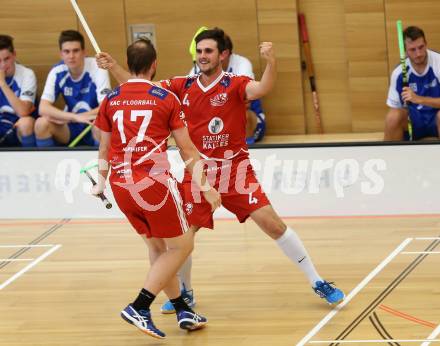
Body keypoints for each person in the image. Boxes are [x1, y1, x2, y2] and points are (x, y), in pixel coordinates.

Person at [96, 28, 344, 316]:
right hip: (198, 176)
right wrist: (114, 66)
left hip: (235, 173)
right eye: (199, 51)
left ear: (223, 55)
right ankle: (186, 292)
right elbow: (139, 88)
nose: (202, 56)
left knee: (273, 225)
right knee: (182, 238)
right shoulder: (181, 85)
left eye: (209, 51)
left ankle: (317, 281)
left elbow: (262, 88)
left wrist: (272, 63)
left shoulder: (236, 84)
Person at [92, 38, 221, 339]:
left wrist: (100, 181)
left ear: (129, 62)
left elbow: (103, 148)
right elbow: (188, 151)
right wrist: (206, 187)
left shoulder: (110, 99)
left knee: (158, 247)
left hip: (121, 184)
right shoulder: (165, 98)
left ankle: (181, 309)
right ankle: (140, 305)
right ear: (154, 65)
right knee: (183, 245)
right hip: (154, 183)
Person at [35, 30, 111, 147]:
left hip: (94, 123)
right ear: (61, 54)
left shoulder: (97, 68)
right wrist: (75, 117)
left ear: (84, 52)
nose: (71, 56)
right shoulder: (57, 71)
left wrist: (82, 117)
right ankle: (46, 164)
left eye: (76, 51)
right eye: (67, 51)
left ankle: (101, 164)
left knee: (101, 126)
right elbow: (43, 108)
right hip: (71, 125)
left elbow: (106, 106)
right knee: (41, 124)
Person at [189, 31, 266, 145]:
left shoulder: (242, 64)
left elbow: (245, 103)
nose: (205, 56)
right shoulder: (201, 66)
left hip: (249, 118)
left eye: (210, 51)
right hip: (217, 119)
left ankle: (247, 154)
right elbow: (189, 101)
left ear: (224, 54)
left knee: (242, 115)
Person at [384, 26, 440, 141]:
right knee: (393, 117)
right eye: (412, 50)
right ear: (405, 51)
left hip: (436, 117)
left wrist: (419, 99)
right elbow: (395, 109)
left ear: (426, 44)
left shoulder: (438, 62)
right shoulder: (399, 72)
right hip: (414, 120)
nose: (418, 53)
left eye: (421, 47)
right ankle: (391, 157)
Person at [0, 35, 37, 147]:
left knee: (26, 123)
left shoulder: (27, 74)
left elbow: (23, 111)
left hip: (17, 125)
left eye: (7, 59)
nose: (3, 65)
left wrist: (2, 83)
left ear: (14, 55)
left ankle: (30, 161)